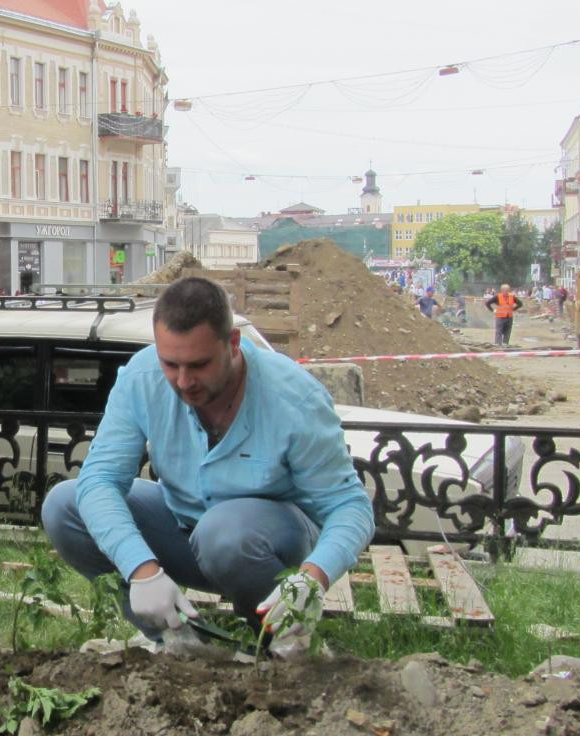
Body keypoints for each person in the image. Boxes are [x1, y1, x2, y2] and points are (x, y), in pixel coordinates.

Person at [40, 276, 374, 649]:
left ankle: (280, 642)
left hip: (268, 546)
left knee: (223, 533)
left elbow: (350, 507)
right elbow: (100, 480)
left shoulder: (294, 400)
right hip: (186, 530)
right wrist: (141, 569)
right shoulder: (141, 378)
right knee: (65, 506)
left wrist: (313, 578)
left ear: (232, 344)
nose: (183, 382)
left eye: (198, 365)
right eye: (170, 363)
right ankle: (178, 639)